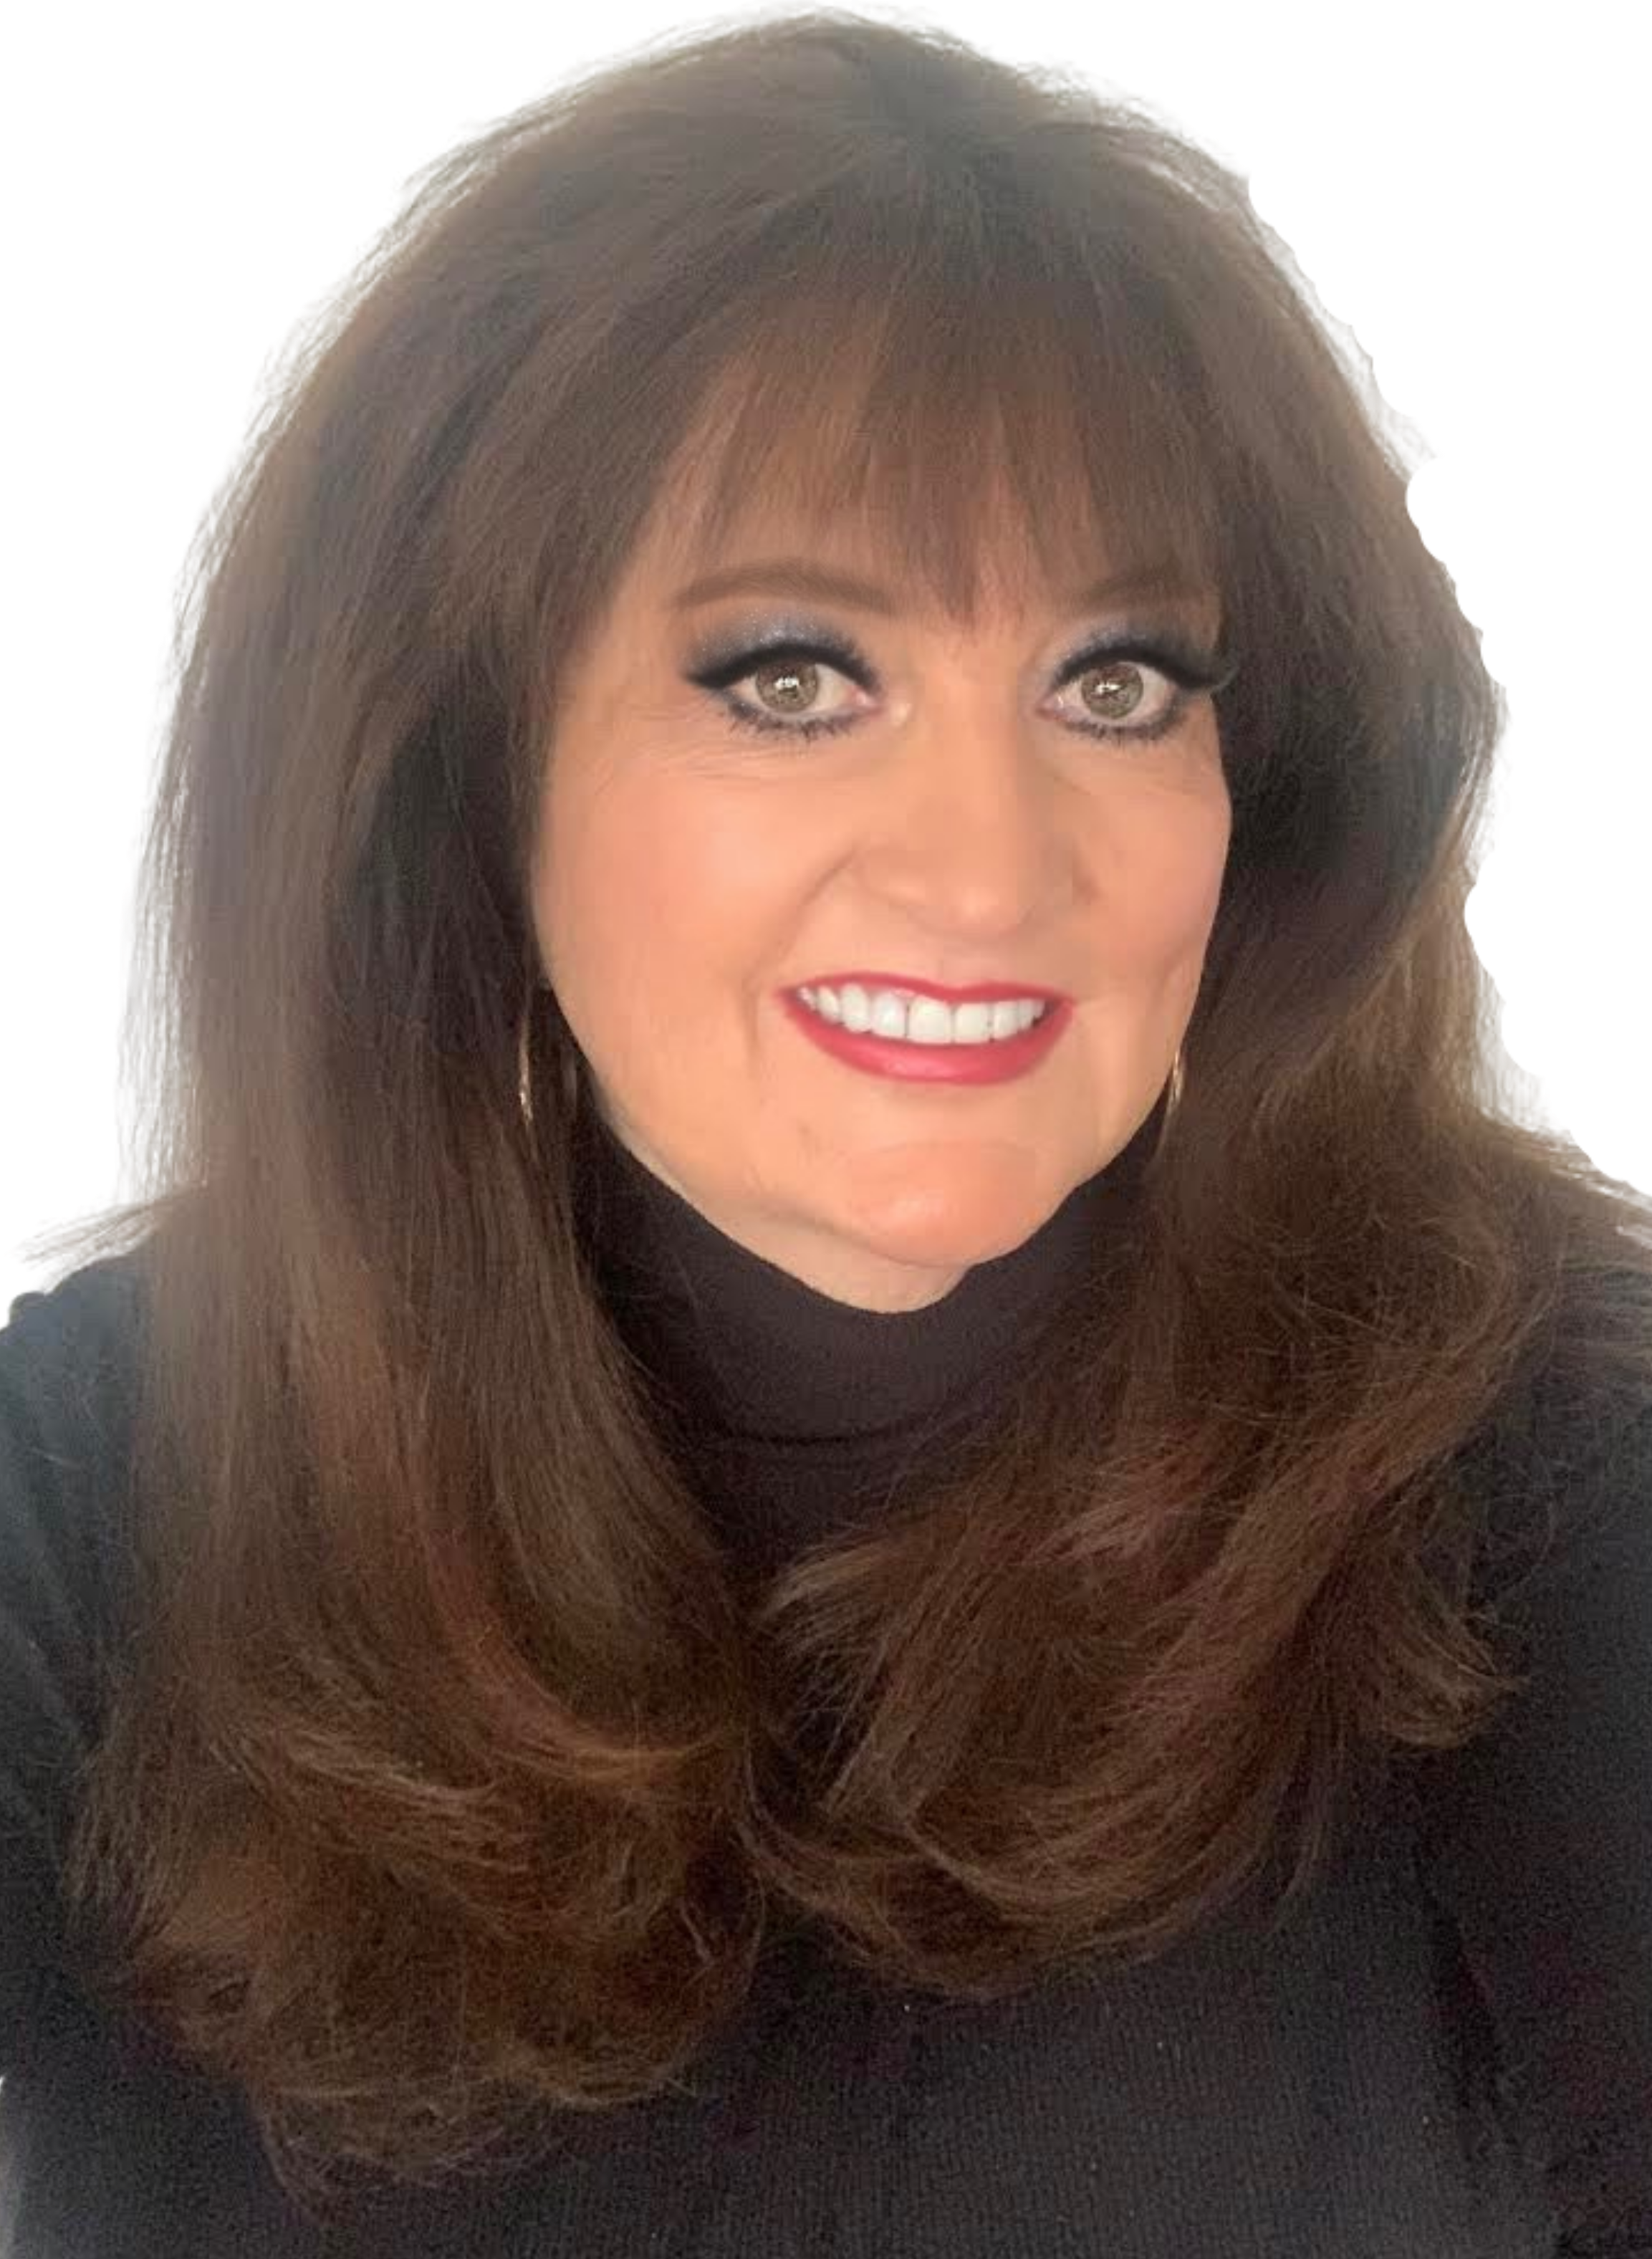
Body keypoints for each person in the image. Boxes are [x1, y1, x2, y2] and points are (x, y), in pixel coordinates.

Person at [3, 13, 1649, 2255]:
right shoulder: (117, 1478)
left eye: (1116, 683)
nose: (988, 871)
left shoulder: (1543, 1472)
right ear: (466, 775)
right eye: (793, 677)